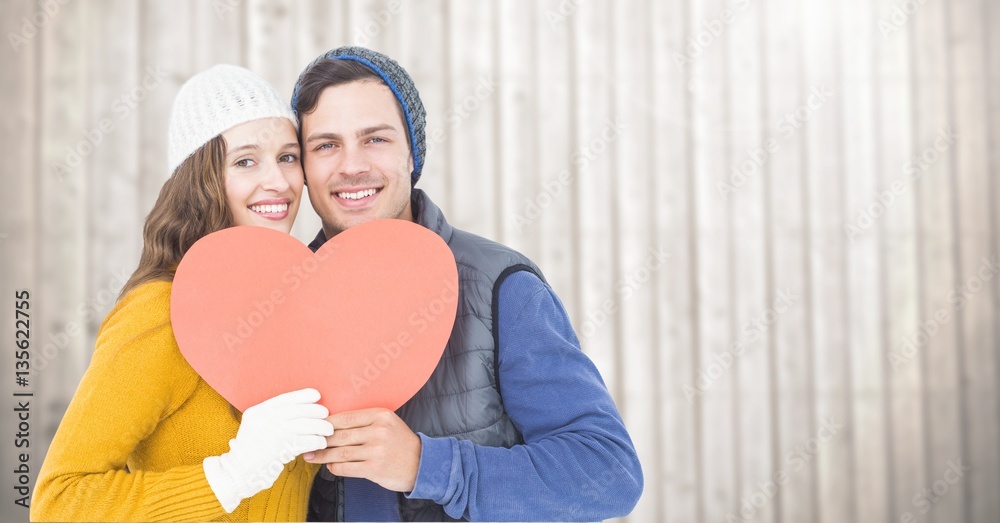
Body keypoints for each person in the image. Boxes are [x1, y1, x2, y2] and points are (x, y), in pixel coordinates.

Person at [292, 46, 644, 521]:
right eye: (326, 145)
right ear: (303, 168)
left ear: (412, 152)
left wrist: (427, 465)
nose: (351, 165)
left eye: (375, 139)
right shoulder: (282, 303)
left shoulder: (500, 287)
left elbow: (609, 474)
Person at [31, 65, 334, 522]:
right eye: (245, 161)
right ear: (201, 179)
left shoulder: (287, 306)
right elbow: (58, 503)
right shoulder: (159, 312)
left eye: (288, 157)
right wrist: (232, 475)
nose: (278, 182)